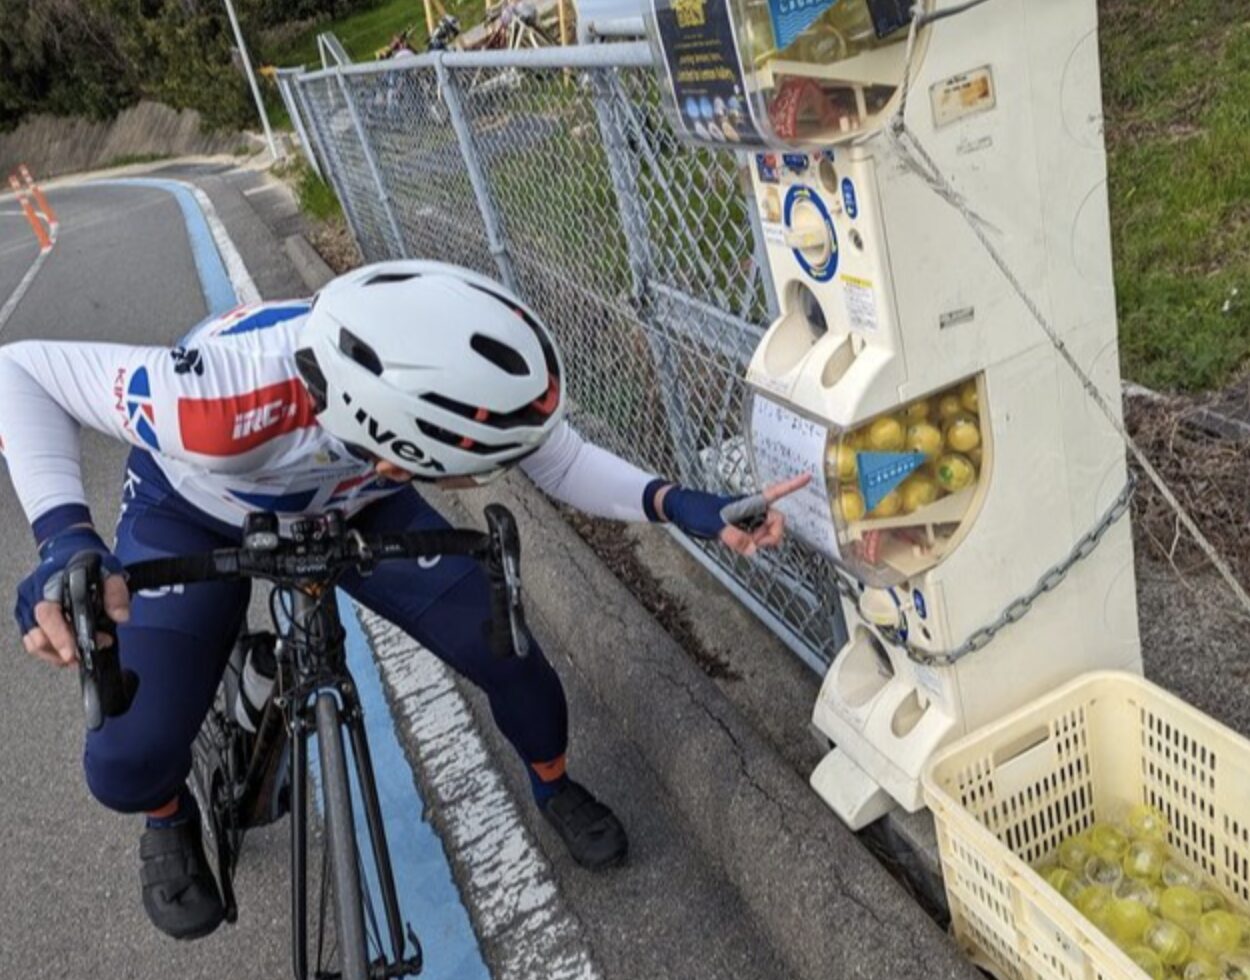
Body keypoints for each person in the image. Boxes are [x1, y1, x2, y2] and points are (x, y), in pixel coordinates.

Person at [0, 261, 806, 942]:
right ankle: (167, 813)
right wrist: (67, 539)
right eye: (477, 469)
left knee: (507, 652)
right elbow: (23, 369)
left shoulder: (438, 350)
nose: (486, 478)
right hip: (196, 503)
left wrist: (679, 504)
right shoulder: (214, 403)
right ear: (400, 457)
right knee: (126, 761)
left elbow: (557, 460)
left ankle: (554, 785)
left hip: (352, 502)